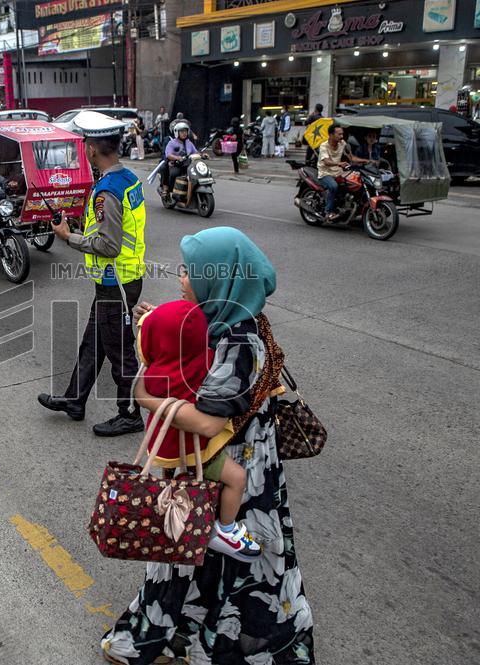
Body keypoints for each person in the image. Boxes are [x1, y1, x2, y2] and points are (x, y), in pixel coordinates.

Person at [101, 226, 315, 665]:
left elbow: (207, 420)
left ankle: (176, 641)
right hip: (238, 460)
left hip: (226, 459)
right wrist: (160, 321)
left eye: (189, 271)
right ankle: (184, 636)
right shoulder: (232, 317)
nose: (182, 276)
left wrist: (146, 399)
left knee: (198, 553)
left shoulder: (237, 340)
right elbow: (192, 347)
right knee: (206, 558)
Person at [40, 111, 147, 437]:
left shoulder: (107, 191)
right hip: (120, 280)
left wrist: (67, 237)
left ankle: (129, 414)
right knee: (94, 344)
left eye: (85, 142)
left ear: (92, 149)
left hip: (117, 283)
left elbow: (109, 244)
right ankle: (75, 400)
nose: (83, 147)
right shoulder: (127, 177)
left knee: (120, 352)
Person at [136, 299, 261, 562]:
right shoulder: (208, 358)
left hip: (166, 445)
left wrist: (150, 320)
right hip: (195, 448)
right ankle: (226, 530)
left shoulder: (154, 372)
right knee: (237, 478)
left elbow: (151, 345)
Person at [318, 125, 369, 221]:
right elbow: (326, 162)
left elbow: (352, 158)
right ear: (331, 135)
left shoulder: (342, 143)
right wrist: (339, 163)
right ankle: (328, 212)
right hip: (325, 173)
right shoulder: (324, 146)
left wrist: (366, 161)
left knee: (357, 181)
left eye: (342, 134)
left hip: (338, 172)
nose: (342, 136)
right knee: (333, 186)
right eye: (339, 134)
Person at [160, 122, 200, 196]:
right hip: (176, 164)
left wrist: (203, 155)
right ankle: (171, 191)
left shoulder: (189, 143)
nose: (184, 133)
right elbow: (168, 154)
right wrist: (177, 157)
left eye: (185, 131)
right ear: (177, 132)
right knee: (174, 174)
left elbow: (195, 152)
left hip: (188, 164)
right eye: (182, 131)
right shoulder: (172, 143)